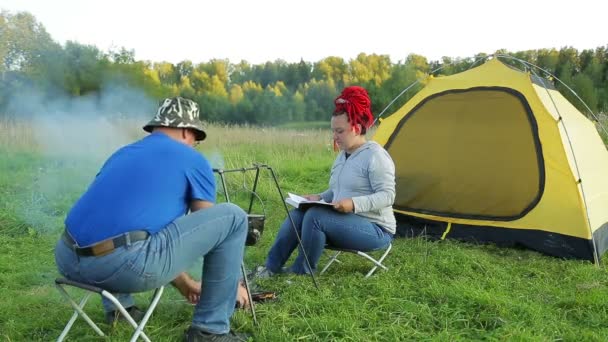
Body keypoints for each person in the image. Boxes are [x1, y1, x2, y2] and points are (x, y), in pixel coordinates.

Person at [54, 97, 250, 342]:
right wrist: (230, 286)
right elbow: (209, 231)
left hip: (67, 261)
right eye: (196, 140)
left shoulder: (122, 154)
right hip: (120, 267)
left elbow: (131, 227)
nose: (195, 145)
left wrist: (185, 284)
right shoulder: (193, 159)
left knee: (123, 228)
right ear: (187, 132)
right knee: (234, 217)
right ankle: (210, 330)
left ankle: (120, 309)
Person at [255, 86, 396, 277]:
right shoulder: (343, 156)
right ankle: (270, 267)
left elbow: (388, 196)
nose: (335, 137)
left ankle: (302, 272)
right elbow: (337, 190)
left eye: (339, 131)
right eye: (333, 131)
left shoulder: (375, 156)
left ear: (356, 127)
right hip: (345, 222)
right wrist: (320, 196)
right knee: (299, 213)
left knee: (316, 216)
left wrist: (353, 204)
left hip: (376, 229)